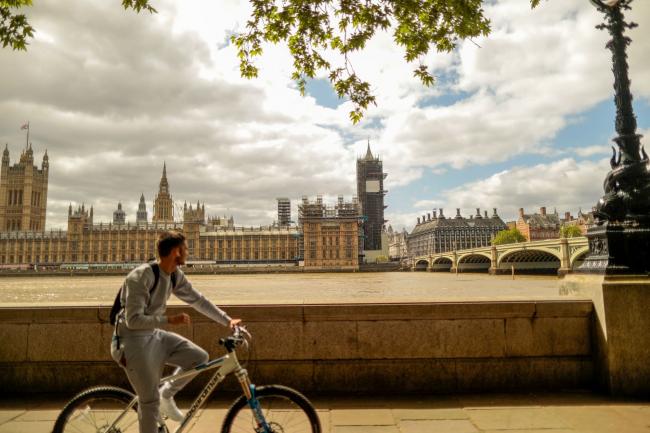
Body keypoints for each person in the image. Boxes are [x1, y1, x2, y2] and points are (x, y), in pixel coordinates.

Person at [110, 230, 240, 433]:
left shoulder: (174, 276)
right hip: (131, 341)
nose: (188, 252)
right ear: (175, 252)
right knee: (148, 402)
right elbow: (133, 321)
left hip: (153, 335)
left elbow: (198, 300)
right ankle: (156, 401)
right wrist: (169, 319)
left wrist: (227, 320)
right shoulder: (140, 276)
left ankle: (167, 395)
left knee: (199, 357)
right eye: (186, 248)